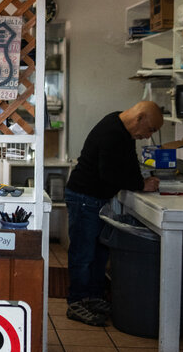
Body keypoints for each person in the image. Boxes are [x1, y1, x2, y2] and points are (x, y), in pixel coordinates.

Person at [65, 100, 163, 326]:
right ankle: (77, 301)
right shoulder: (112, 133)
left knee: (99, 253)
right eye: (150, 130)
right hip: (84, 198)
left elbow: (127, 166)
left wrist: (140, 180)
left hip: (95, 198)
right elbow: (109, 174)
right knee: (83, 254)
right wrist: (141, 184)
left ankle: (94, 297)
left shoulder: (121, 128)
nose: (148, 136)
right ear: (139, 118)